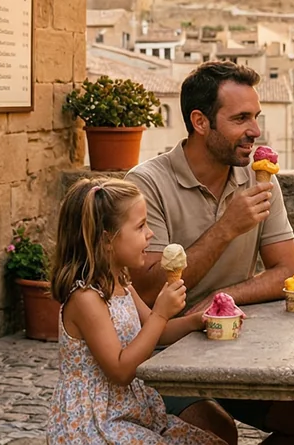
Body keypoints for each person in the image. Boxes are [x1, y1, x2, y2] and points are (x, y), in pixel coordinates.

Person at [127, 61, 294, 445]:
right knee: (217, 434)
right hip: (164, 354)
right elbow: (148, 291)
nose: (255, 130)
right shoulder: (146, 185)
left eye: (256, 116)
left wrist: (223, 301)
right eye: (241, 118)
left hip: (237, 347)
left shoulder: (259, 180)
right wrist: (227, 228)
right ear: (201, 122)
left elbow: (286, 270)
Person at [47, 177, 227, 444]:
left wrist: (196, 321)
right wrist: (161, 313)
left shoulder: (121, 283)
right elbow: (120, 371)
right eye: (140, 226)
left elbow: (156, 332)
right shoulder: (86, 298)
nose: (150, 233)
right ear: (107, 239)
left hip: (130, 412)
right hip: (96, 423)